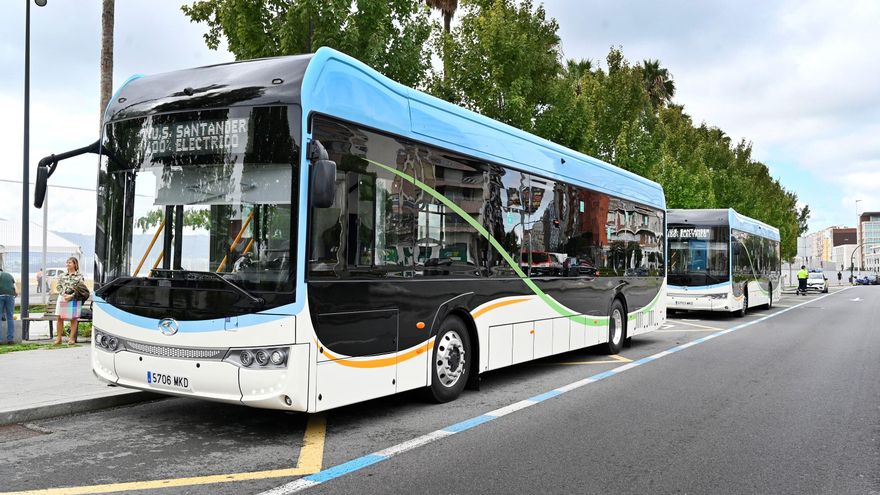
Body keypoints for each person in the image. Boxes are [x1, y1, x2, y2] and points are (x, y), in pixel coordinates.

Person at [54, 257, 85, 345]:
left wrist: (71, 296)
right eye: (67, 262)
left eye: (70, 263)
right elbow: (58, 286)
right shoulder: (62, 275)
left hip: (74, 298)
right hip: (63, 297)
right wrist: (64, 294)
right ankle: (58, 338)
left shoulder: (79, 276)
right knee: (60, 318)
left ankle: (71, 339)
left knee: (73, 318)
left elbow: (81, 289)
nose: (67, 264)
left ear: (75, 264)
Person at [0, 267, 16, 344]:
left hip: (0, 295)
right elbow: (15, 288)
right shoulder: (9, 275)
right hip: (10, 296)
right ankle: (10, 339)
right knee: (10, 317)